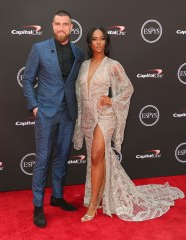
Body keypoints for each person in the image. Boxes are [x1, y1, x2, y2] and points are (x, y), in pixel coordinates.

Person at [73, 27, 184, 222]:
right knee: (96, 159)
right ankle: (99, 196)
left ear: (106, 42)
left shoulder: (112, 65)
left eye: (102, 39)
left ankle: (92, 205)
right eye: (94, 39)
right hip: (89, 119)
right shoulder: (83, 66)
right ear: (89, 43)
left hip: (105, 117)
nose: (98, 43)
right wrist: (81, 121)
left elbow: (127, 89)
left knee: (98, 154)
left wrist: (112, 100)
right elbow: (79, 95)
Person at [23, 10, 85, 227]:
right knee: (42, 159)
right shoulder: (39, 49)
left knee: (62, 156)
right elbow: (28, 79)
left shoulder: (78, 53)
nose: (61, 28)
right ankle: (38, 205)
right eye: (57, 24)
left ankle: (57, 196)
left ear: (71, 27)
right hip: (46, 114)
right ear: (52, 26)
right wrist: (34, 107)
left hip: (68, 113)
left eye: (65, 24)